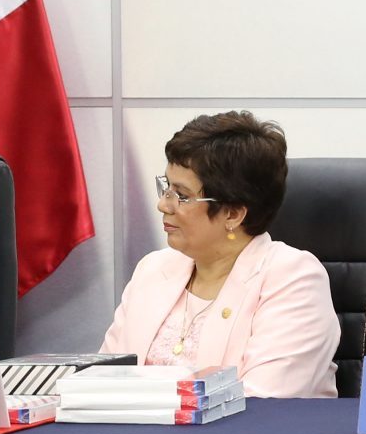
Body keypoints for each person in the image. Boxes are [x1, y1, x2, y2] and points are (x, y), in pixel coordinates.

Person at [100, 112, 339, 398]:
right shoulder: (153, 269)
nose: (163, 205)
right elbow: (102, 381)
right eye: (166, 187)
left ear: (233, 214)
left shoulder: (293, 278)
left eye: (183, 195)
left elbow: (264, 401)